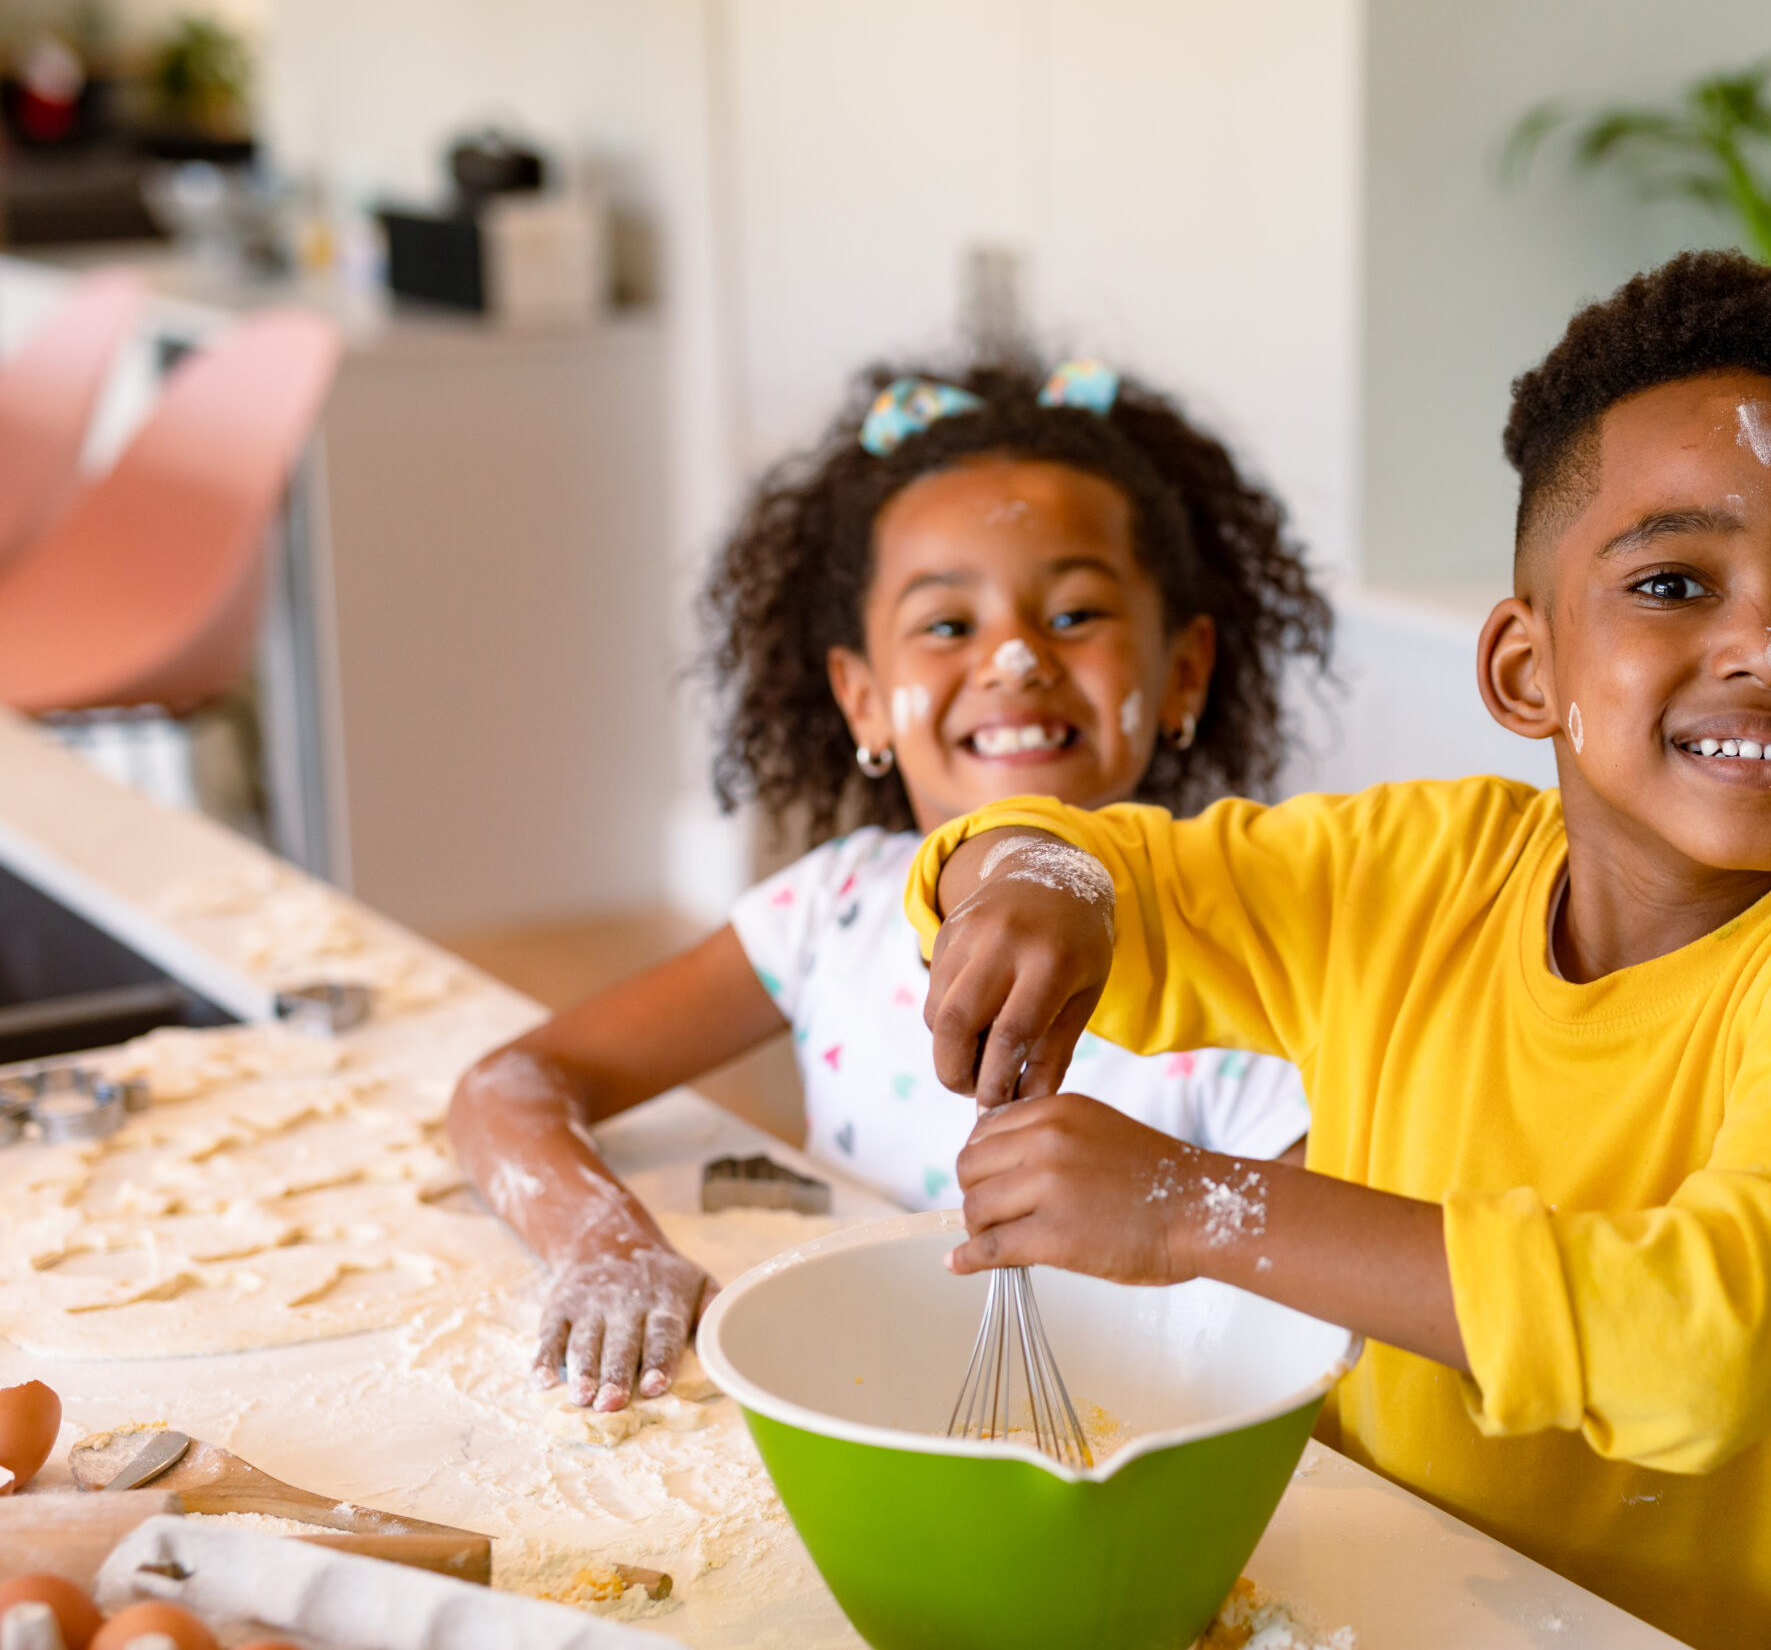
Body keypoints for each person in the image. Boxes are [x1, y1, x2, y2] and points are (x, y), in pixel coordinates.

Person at [903, 254, 1771, 1650]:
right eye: (1672, 580)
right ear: (1525, 669)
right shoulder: (1419, 868)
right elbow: (1078, 856)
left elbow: (1704, 1342)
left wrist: (1194, 1205)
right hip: (1376, 1620)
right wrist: (1040, 879)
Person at [448, 355, 1332, 1414]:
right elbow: (510, 1088)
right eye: (949, 625)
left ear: (1183, 672)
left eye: (1075, 615)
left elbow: (1318, 1299)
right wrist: (605, 1246)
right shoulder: (831, 911)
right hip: (840, 1395)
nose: (1012, 660)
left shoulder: (1251, 967)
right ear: (862, 700)